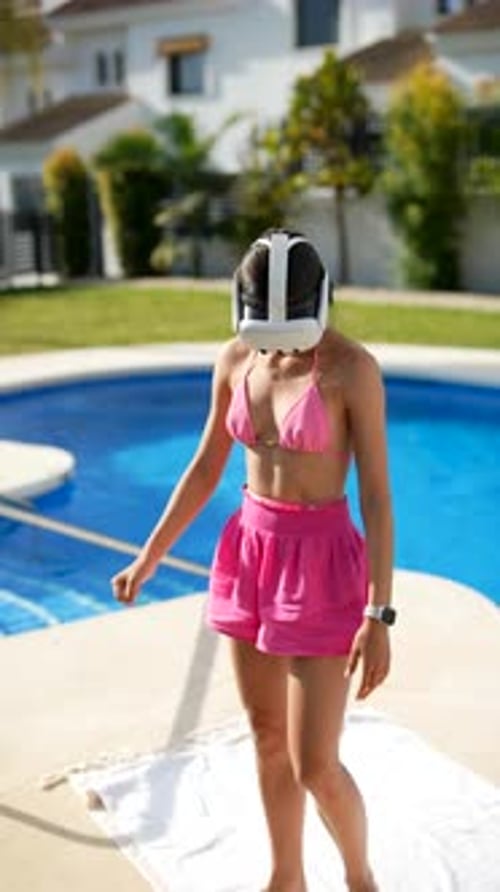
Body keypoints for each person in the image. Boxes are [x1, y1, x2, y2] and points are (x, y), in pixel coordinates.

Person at [111, 229, 394, 892]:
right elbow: (209, 465)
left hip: (323, 567)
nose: (276, 347)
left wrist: (379, 612)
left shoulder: (352, 370)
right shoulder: (236, 358)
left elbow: (377, 495)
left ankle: (361, 879)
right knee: (267, 735)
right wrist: (150, 555)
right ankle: (285, 876)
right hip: (249, 558)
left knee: (316, 764)